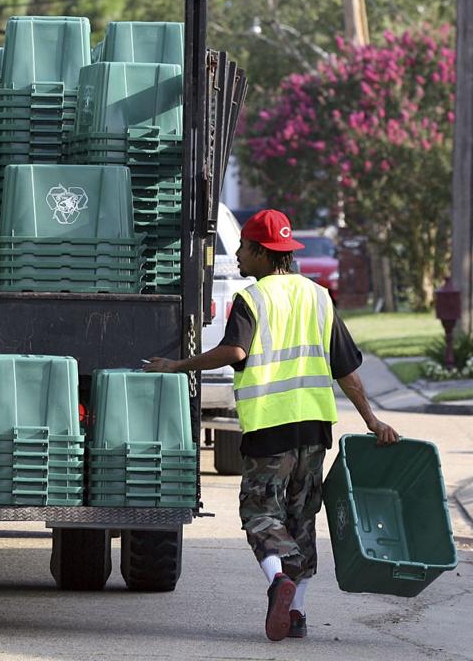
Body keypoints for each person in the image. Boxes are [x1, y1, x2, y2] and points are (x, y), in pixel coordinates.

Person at [144, 209, 399, 642]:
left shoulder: (253, 298)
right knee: (302, 520)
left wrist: (178, 365)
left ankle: (277, 579)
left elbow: (234, 353)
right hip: (314, 431)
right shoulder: (319, 297)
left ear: (262, 253)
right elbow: (347, 370)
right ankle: (297, 613)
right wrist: (372, 420)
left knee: (260, 513)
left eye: (244, 247)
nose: (240, 255)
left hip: (269, 430)